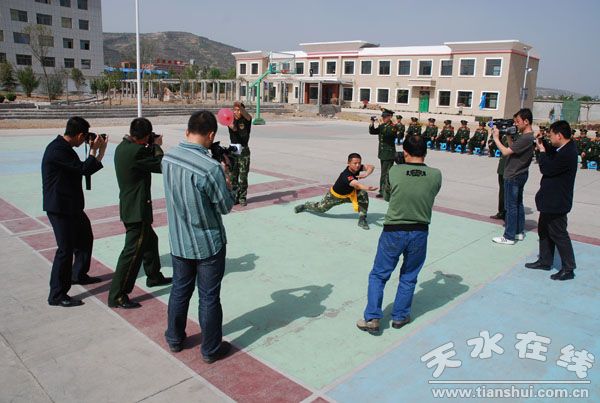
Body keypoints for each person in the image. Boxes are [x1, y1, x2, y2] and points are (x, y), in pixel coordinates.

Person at [163, 110, 235, 363]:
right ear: (211, 135)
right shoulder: (210, 168)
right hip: (207, 244)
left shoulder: (168, 157)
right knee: (208, 297)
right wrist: (227, 178)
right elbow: (225, 206)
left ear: (187, 131)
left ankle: (174, 338)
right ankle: (210, 349)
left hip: (178, 239)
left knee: (179, 290)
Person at [356, 135, 442, 333]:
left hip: (394, 230)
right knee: (409, 276)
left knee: (379, 275)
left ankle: (372, 318)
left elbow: (388, 195)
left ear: (405, 152)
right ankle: (400, 316)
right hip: (419, 231)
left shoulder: (395, 170)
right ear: (425, 151)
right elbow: (430, 193)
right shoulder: (436, 174)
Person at [42, 117, 107, 307]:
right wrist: (95, 151)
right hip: (60, 207)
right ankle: (57, 294)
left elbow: (85, 169)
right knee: (65, 250)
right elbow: (83, 169)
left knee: (85, 239)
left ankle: (78, 274)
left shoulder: (65, 148)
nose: (84, 141)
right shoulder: (58, 150)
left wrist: (99, 151)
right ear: (79, 135)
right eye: (84, 137)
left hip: (72, 206)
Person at [108, 118, 172, 309]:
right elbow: (162, 165)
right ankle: (118, 294)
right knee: (131, 253)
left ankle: (154, 276)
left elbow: (142, 157)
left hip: (130, 206)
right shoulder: (137, 152)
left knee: (150, 241)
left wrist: (149, 145)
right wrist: (157, 146)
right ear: (144, 136)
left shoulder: (123, 147)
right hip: (137, 210)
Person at [525, 120, 578, 281]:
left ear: (559, 135)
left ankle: (568, 268)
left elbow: (547, 168)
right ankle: (545, 260)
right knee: (544, 231)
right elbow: (553, 151)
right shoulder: (564, 148)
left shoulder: (567, 154)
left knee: (559, 234)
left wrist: (541, 151)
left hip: (557, 202)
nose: (550, 138)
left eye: (551, 135)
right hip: (549, 200)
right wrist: (542, 142)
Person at [294, 153, 376, 230]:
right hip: (335, 196)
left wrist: (366, 174)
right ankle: (305, 206)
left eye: (359, 163)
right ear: (348, 163)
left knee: (363, 194)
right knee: (320, 208)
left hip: (350, 194)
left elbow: (371, 167)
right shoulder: (346, 174)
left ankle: (362, 219)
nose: (358, 165)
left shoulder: (357, 168)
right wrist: (367, 188)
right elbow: (356, 185)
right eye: (355, 163)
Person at [491, 108, 535, 245]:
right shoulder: (527, 137)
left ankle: (509, 236)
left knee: (510, 206)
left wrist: (496, 138)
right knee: (518, 204)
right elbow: (513, 150)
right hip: (520, 173)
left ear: (526, 121)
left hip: (513, 175)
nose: (516, 124)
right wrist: (509, 136)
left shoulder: (526, 137)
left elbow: (505, 152)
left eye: (518, 121)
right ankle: (518, 232)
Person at [228, 101, 252, 206]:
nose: (236, 112)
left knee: (243, 177)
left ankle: (242, 197)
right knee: (233, 177)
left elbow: (248, 116)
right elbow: (233, 128)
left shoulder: (246, 120)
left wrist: (240, 106)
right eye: (235, 110)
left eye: (238, 110)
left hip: (244, 151)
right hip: (233, 151)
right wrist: (229, 122)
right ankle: (234, 197)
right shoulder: (230, 120)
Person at [369, 108, 397, 200]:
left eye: (385, 117)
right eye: (383, 117)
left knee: (386, 174)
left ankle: (385, 191)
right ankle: (383, 190)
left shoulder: (393, 127)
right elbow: (373, 132)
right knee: (384, 173)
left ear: (390, 117)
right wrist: (372, 123)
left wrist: (381, 125)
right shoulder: (383, 125)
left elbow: (387, 134)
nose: (383, 118)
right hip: (382, 153)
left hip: (389, 154)